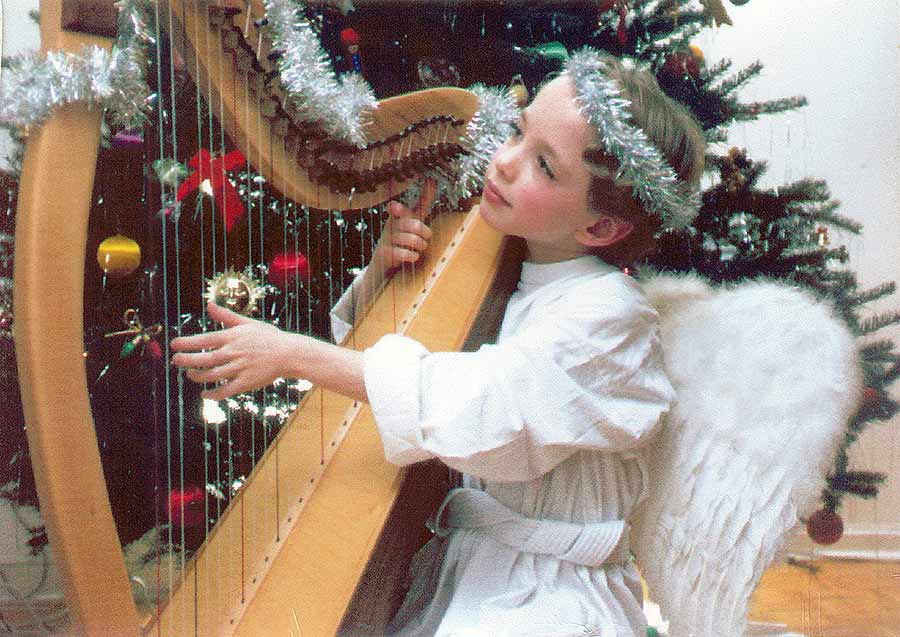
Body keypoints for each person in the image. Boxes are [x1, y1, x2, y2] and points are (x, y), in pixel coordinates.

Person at [171, 48, 706, 636]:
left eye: (544, 166)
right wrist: (381, 273)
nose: (503, 164)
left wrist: (296, 354)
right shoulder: (518, 262)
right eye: (518, 137)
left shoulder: (609, 316)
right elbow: (397, 368)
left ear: (600, 228)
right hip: (474, 569)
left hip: (547, 594)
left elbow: (482, 409)